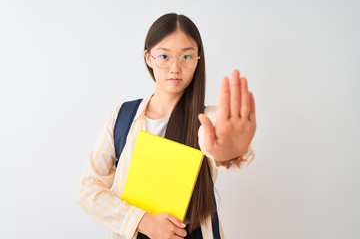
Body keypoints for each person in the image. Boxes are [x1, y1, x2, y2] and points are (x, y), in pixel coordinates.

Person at [77, 13, 256, 239]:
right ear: (148, 58)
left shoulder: (209, 119)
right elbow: (88, 188)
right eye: (164, 56)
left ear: (198, 58)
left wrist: (230, 153)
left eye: (186, 57)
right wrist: (142, 220)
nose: (175, 68)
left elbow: (223, 144)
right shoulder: (123, 116)